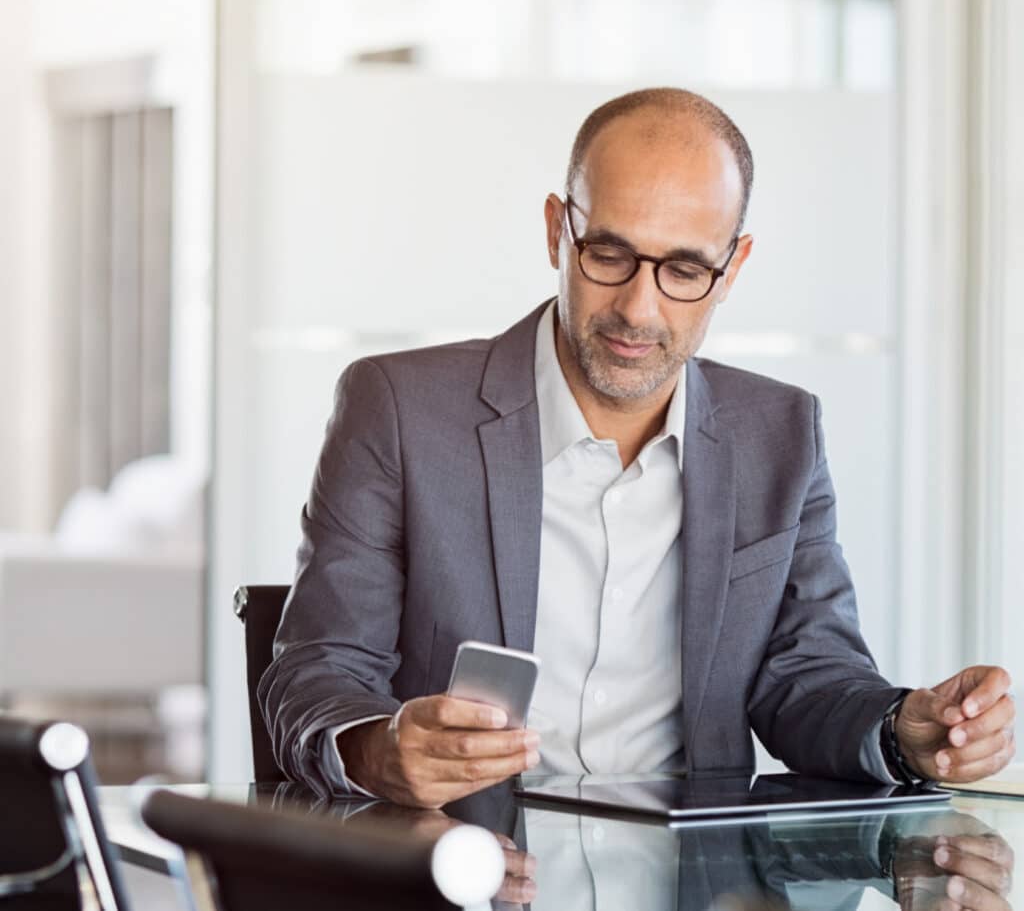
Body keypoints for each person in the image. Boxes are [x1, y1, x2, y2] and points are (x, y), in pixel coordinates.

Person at [259, 88, 1016, 808]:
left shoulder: (780, 434)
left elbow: (808, 680)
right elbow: (317, 670)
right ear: (558, 230)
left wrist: (901, 730)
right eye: (609, 255)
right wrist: (376, 748)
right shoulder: (399, 410)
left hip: (690, 877)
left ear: (733, 268)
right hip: (465, 868)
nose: (637, 309)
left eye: (684, 269)